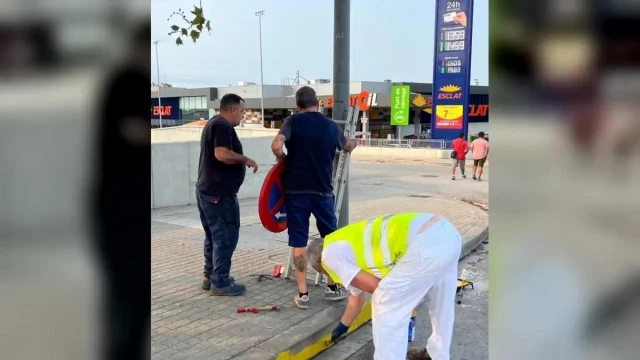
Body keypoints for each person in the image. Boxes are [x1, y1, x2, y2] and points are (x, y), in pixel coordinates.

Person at [306, 213, 462, 360]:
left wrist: (397, 295)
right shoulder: (341, 240)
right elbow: (356, 298)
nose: (329, 276)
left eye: (322, 272)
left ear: (320, 263)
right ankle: (437, 354)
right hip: (447, 233)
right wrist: (342, 327)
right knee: (442, 304)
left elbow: (377, 287)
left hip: (424, 246)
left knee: (386, 303)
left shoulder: (329, 256)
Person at [271, 86, 358, 309]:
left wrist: (282, 158)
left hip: (295, 192)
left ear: (297, 106)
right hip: (322, 192)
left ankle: (303, 294)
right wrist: (353, 142)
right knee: (331, 240)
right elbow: (347, 147)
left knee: (298, 241)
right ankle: (331, 287)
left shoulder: (292, 122)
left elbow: (277, 144)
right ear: (317, 103)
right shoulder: (330, 126)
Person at [196, 94, 258, 296]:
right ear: (232, 110)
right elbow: (221, 154)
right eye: (241, 111)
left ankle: (209, 276)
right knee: (225, 237)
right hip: (219, 194)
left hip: (208, 191)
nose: (243, 116)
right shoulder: (222, 126)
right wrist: (245, 159)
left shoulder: (213, 123)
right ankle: (220, 282)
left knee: (213, 236)